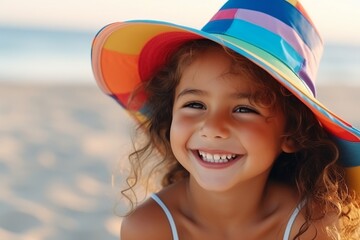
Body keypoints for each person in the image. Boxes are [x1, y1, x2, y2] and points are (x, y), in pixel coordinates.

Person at [91, 0, 360, 239]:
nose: (212, 127)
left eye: (244, 109)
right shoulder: (150, 227)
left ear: (290, 133)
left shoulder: (311, 225)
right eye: (195, 104)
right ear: (169, 114)